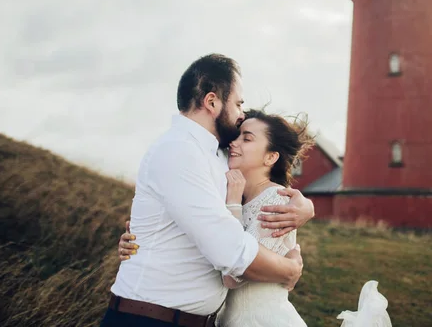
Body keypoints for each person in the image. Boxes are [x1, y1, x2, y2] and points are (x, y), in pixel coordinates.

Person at [100, 54, 315, 327]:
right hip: (149, 318)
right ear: (212, 102)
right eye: (238, 104)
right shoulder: (179, 150)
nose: (240, 116)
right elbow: (230, 252)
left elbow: (258, 187)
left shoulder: (219, 155)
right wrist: (289, 268)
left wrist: (305, 207)